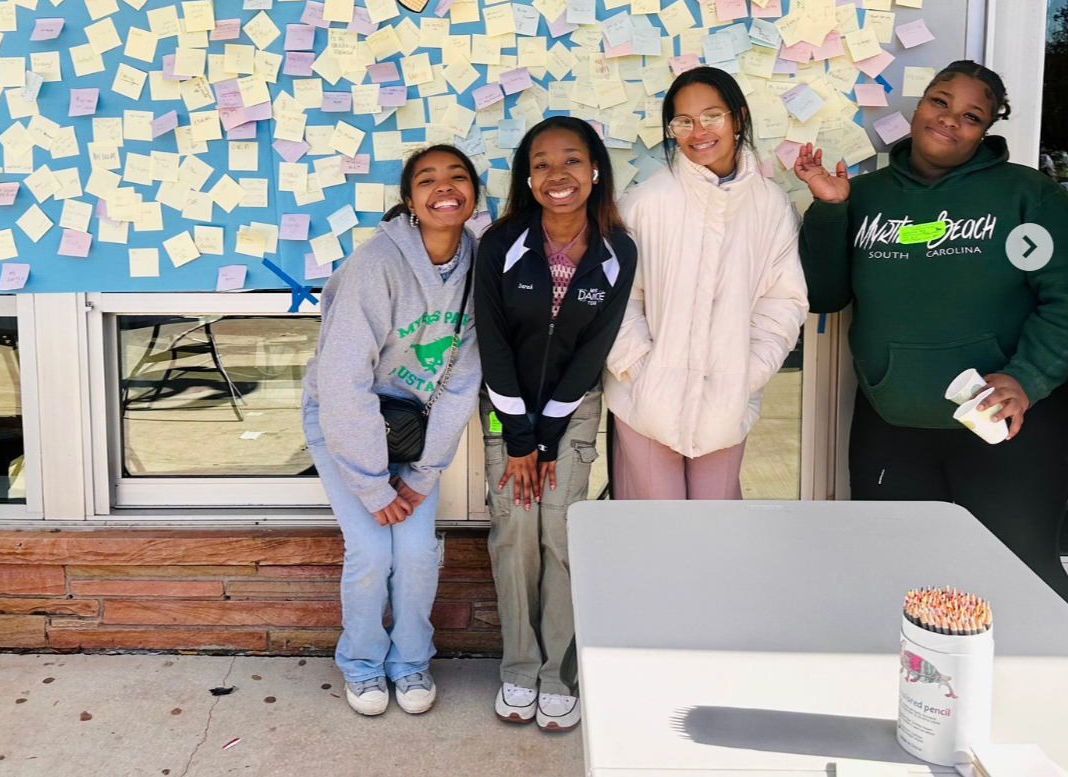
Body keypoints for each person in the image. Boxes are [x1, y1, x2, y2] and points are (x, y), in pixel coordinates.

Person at [795, 60, 1068, 600]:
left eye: (971, 115)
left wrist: (1026, 378)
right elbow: (826, 296)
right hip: (892, 427)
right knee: (900, 583)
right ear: (919, 105)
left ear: (986, 129)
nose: (949, 120)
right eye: (940, 102)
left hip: (1002, 427)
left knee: (1021, 584)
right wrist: (829, 211)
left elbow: (1062, 299)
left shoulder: (1026, 197)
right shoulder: (867, 196)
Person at [301, 145, 483, 716]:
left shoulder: (480, 266)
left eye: (457, 177)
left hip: (413, 428)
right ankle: (361, 664)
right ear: (409, 201)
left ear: (474, 194)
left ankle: (410, 664)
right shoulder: (376, 264)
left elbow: (461, 382)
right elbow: (342, 381)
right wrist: (374, 486)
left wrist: (424, 474)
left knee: (419, 552)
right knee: (373, 550)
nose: (443, 188)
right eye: (427, 180)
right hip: (346, 420)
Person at [475, 117, 636, 732]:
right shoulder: (500, 243)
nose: (556, 174)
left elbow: (594, 351)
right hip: (506, 409)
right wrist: (520, 439)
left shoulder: (618, 249)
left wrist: (546, 438)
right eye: (541, 163)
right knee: (516, 533)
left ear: (595, 170)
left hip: (573, 412)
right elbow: (494, 345)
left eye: (571, 160)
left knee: (560, 538)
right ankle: (519, 669)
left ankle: (558, 676)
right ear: (527, 177)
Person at [604, 67, 808, 500]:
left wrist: (747, 374)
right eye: (684, 121)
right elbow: (617, 300)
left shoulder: (769, 205)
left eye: (712, 116)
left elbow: (783, 301)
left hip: (726, 402)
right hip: (645, 405)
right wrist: (646, 374)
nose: (699, 131)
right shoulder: (645, 202)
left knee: (716, 533)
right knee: (655, 531)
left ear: (738, 117)